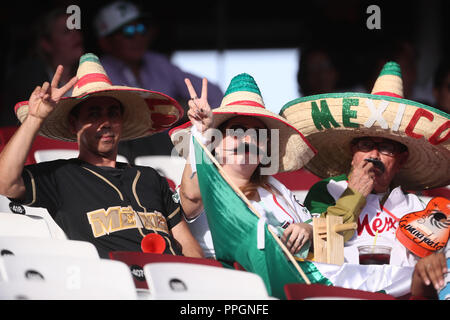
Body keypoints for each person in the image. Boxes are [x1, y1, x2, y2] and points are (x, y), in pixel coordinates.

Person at [0, 53, 203, 259]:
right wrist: (35, 118)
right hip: (115, 284)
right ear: (73, 124)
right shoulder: (61, 175)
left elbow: (188, 245)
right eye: (94, 114)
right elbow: (5, 182)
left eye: (113, 113)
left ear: (121, 122)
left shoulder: (150, 177)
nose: (106, 122)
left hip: (173, 282)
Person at [281, 61, 450, 266]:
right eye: (366, 144)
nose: (375, 155)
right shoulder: (326, 191)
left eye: (387, 148)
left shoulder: (420, 208)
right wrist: (354, 196)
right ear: (353, 152)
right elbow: (322, 256)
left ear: (401, 160)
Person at [170, 73, 317, 258]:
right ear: (216, 141)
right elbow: (191, 199)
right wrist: (201, 134)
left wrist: (307, 230)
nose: (247, 139)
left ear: (267, 145)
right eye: (237, 130)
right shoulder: (201, 184)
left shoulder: (278, 189)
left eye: (257, 133)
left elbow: (318, 230)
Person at [93, 1, 223, 160]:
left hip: (167, 150)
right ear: (105, 42)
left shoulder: (158, 63)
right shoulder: (98, 70)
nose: (137, 37)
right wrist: (173, 111)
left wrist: (184, 113)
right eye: (128, 32)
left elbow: (215, 95)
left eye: (141, 29)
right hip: (122, 152)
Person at [1, 7, 84, 127]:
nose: (76, 35)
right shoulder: (27, 78)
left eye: (77, 29)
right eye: (67, 32)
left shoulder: (90, 72)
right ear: (47, 44)